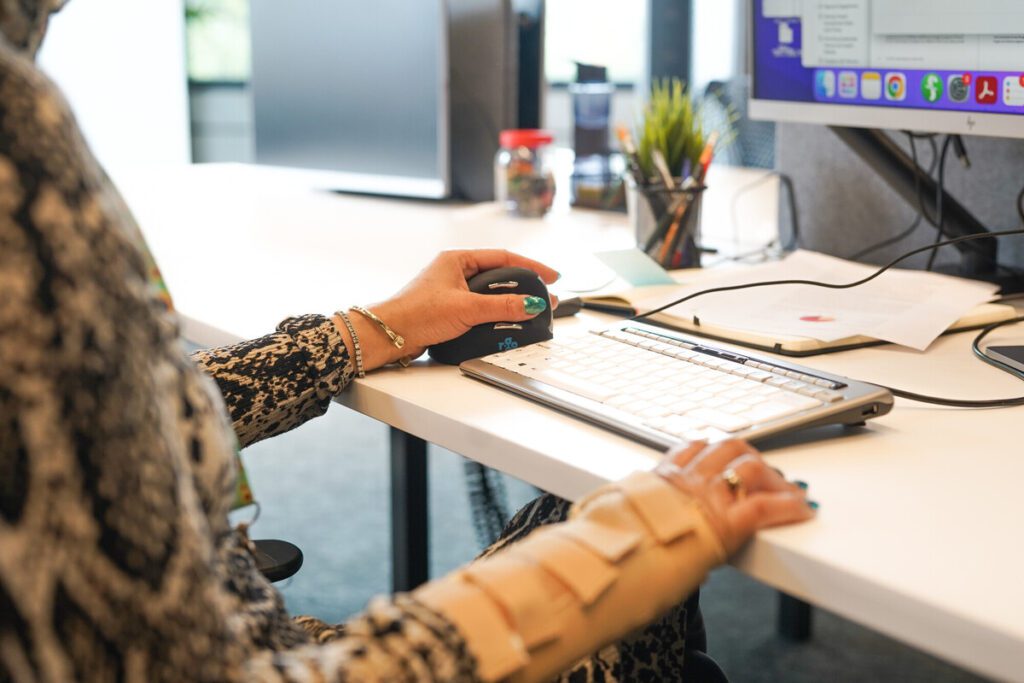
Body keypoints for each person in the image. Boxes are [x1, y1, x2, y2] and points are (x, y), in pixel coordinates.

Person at [0, 2, 816, 681]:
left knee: (609, 494)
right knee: (635, 500)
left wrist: (377, 329)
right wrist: (639, 538)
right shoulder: (15, 139)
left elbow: (102, 425)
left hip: (226, 614)